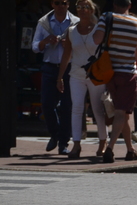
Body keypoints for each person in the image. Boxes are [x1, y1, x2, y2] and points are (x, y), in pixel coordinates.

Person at [93, 0, 137, 163]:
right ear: (129, 5)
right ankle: (110, 148)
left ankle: (130, 150)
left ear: (114, 4)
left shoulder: (106, 18)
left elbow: (96, 39)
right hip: (128, 73)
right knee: (122, 113)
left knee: (121, 115)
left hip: (109, 73)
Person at [56, 0, 108, 159]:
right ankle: (76, 144)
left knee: (97, 108)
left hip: (95, 74)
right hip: (76, 74)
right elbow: (66, 55)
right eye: (79, 7)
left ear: (92, 9)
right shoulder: (72, 30)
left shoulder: (99, 30)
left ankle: (102, 143)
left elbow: (106, 52)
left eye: (86, 7)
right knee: (77, 108)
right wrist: (60, 77)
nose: (82, 10)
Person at [32, 0, 79, 154]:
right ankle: (55, 134)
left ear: (68, 5)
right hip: (50, 67)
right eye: (58, 3)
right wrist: (45, 42)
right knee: (46, 103)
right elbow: (34, 46)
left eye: (64, 3)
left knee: (67, 106)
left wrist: (70, 45)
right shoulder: (44, 22)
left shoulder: (75, 22)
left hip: (69, 68)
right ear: (52, 4)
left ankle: (63, 143)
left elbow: (84, 47)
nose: (61, 6)